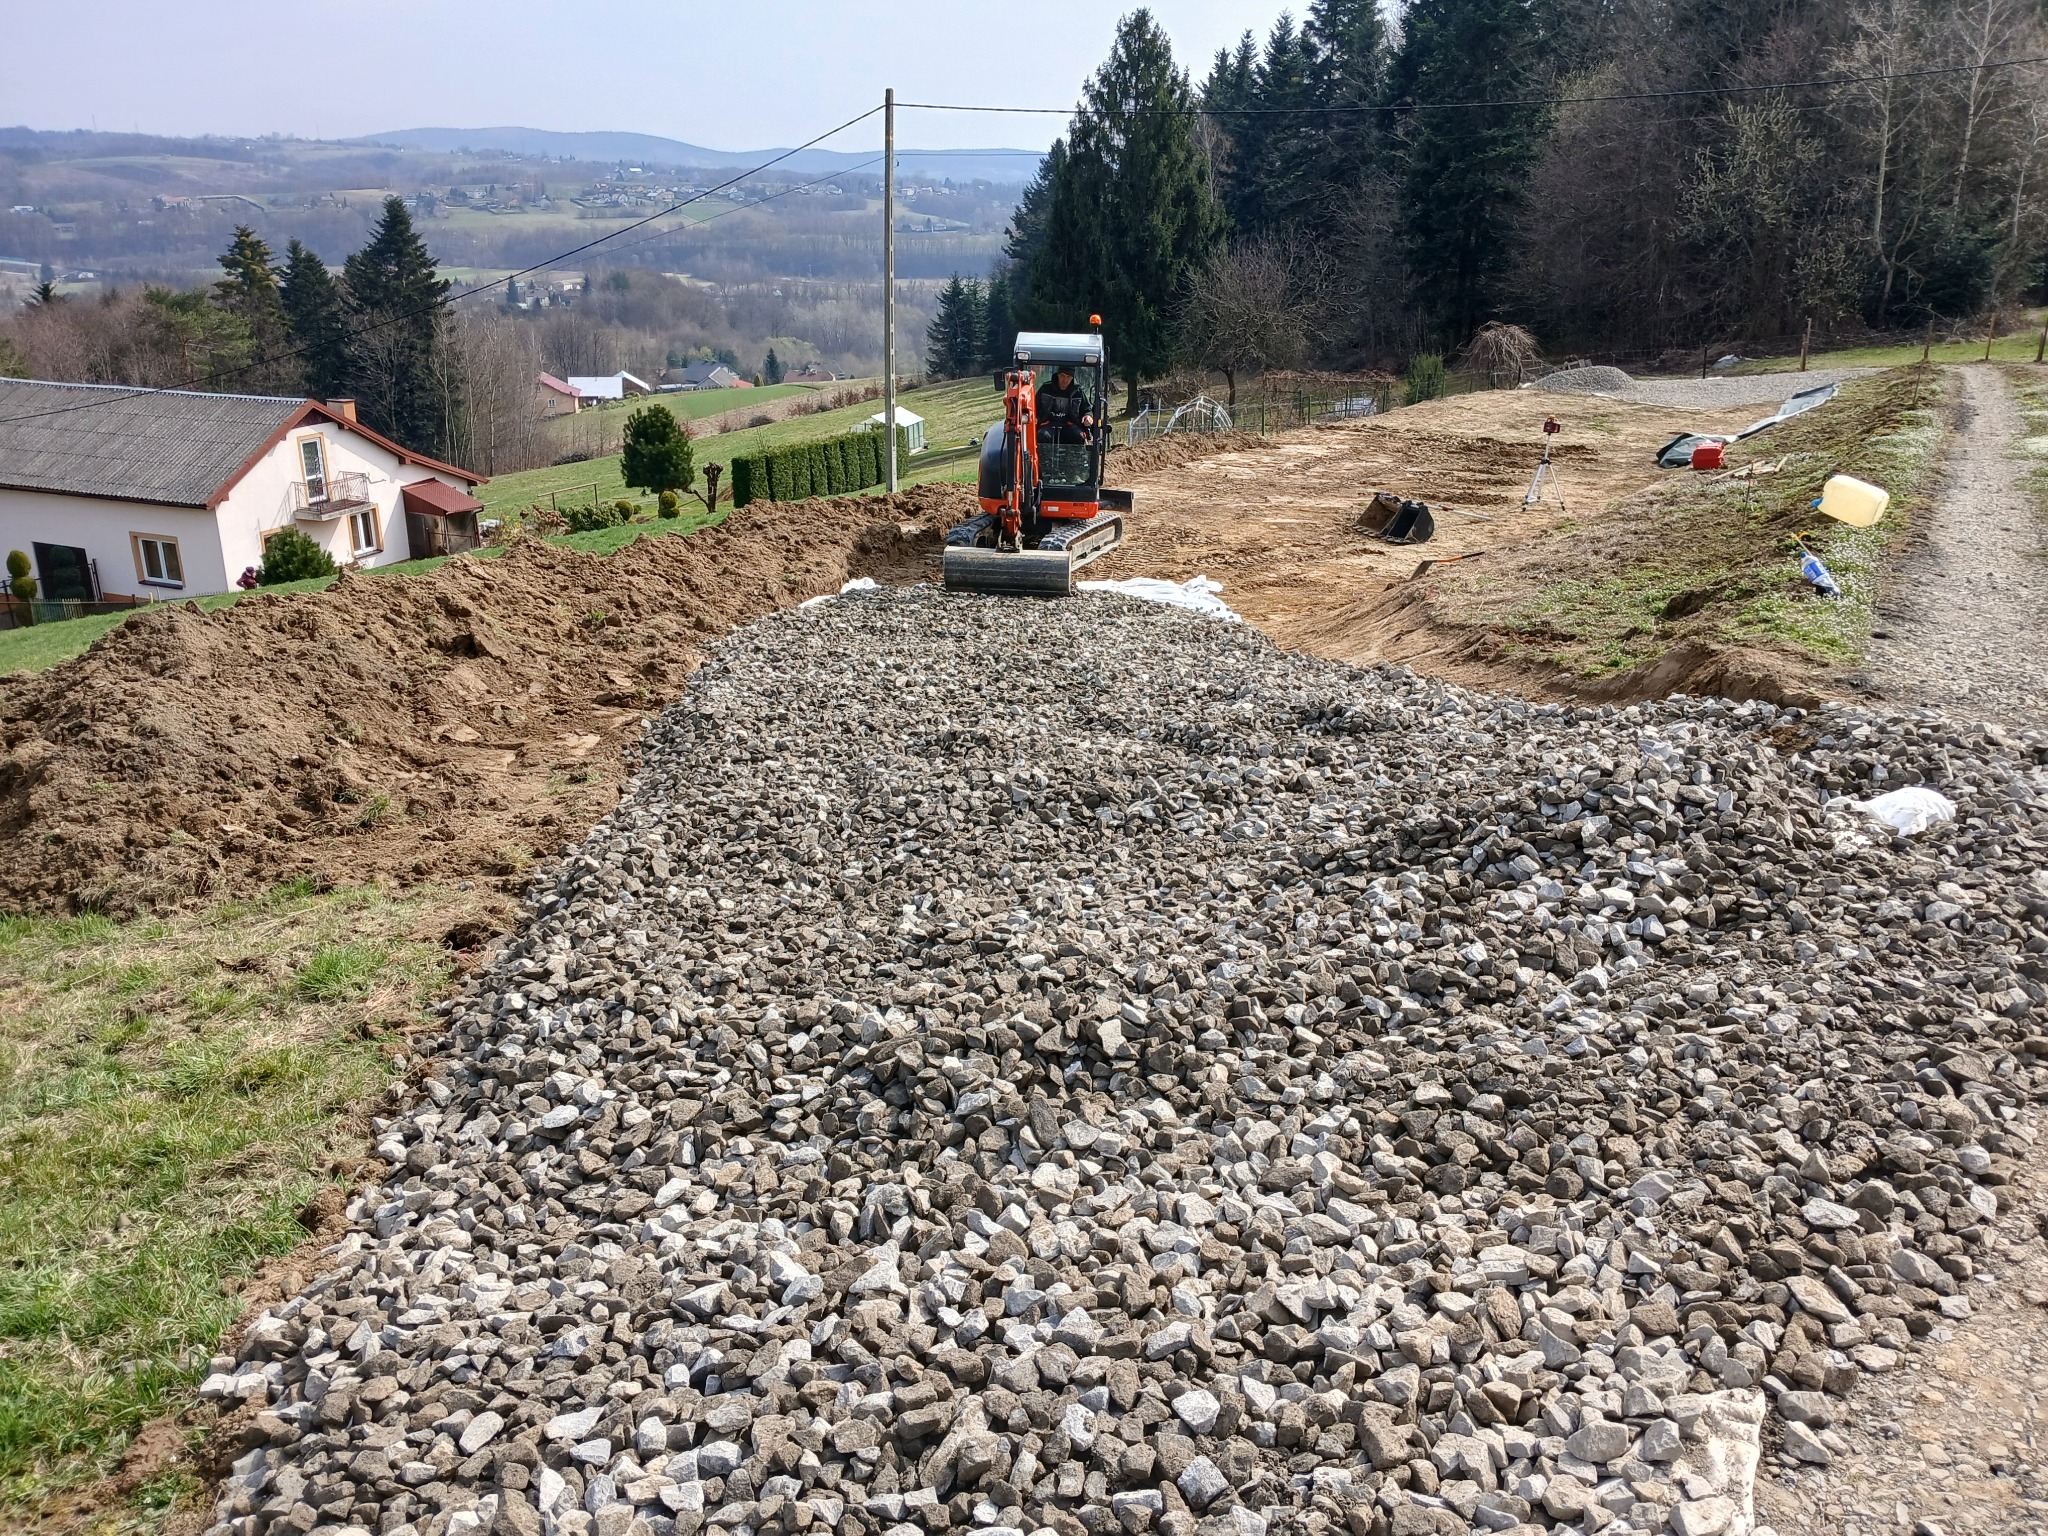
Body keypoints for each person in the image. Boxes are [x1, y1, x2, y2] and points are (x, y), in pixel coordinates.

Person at [1035, 364, 1094, 444]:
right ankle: (1043, 456)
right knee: (1042, 435)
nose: (1065, 380)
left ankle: (1073, 456)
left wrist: (1088, 416)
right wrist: (1034, 418)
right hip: (1048, 423)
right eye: (1063, 376)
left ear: (1072, 378)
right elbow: (1034, 407)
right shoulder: (1045, 389)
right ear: (1058, 375)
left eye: (1068, 377)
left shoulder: (1078, 392)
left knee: (1078, 436)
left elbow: (1087, 410)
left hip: (1070, 424)